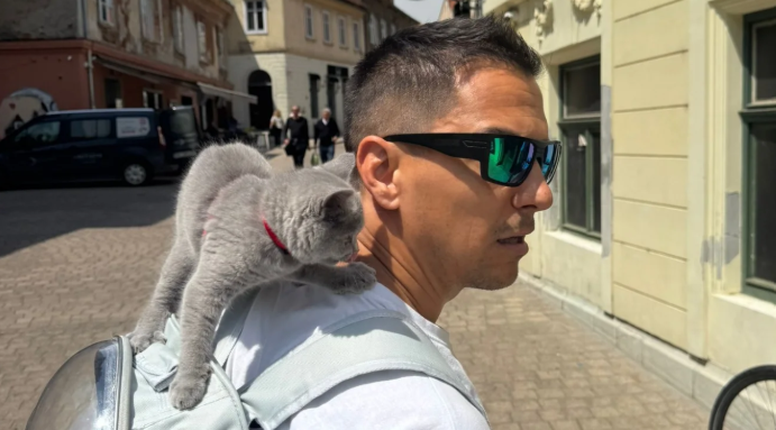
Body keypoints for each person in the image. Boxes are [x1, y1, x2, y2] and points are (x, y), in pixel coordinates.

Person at [226, 17, 555, 428]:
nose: (542, 195)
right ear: (383, 173)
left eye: (545, 158)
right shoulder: (425, 413)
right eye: (506, 155)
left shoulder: (252, 298)